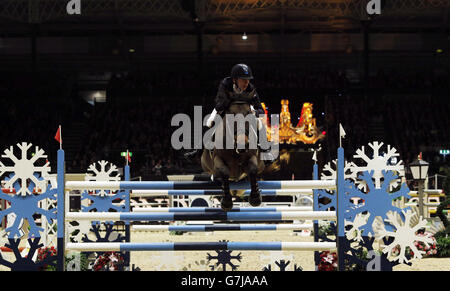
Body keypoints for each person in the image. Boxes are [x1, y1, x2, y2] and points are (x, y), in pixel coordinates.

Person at [184, 63, 274, 163]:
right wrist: (233, 101)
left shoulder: (250, 88)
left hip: (246, 112)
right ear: (235, 79)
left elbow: (260, 110)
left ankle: (266, 151)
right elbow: (219, 104)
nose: (247, 82)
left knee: (259, 123)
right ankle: (198, 150)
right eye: (243, 79)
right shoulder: (225, 84)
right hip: (226, 110)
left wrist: (254, 112)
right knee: (210, 121)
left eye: (248, 79)